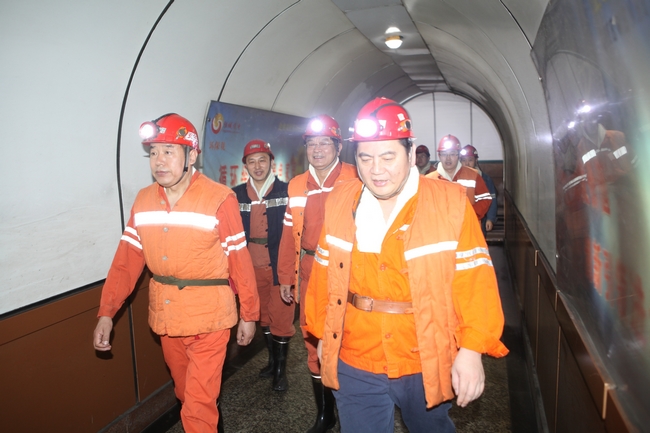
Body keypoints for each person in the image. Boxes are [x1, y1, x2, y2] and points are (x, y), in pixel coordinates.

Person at [304, 97, 508, 433]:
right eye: (365, 158)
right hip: (357, 355)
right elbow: (324, 272)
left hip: (424, 354)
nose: (376, 169)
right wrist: (323, 332)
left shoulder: (450, 203)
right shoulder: (340, 200)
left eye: (388, 157)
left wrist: (472, 350)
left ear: (411, 154)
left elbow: (474, 280)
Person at [93, 113, 259, 433]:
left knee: (197, 408)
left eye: (169, 151)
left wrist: (249, 314)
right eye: (153, 152)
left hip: (210, 318)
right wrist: (106, 313)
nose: (159, 160)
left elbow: (240, 260)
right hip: (167, 320)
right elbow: (126, 261)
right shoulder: (144, 200)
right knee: (186, 395)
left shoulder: (219, 199)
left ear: (191, 156)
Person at [277, 114, 358, 433]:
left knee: (350, 341)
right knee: (313, 341)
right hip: (310, 273)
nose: (318, 149)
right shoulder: (297, 185)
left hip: (349, 272)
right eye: (312, 144)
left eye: (325, 142)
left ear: (338, 147)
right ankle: (326, 414)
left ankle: (354, 407)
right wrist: (286, 277)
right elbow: (288, 235)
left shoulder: (357, 177)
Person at [232, 139, 294, 392]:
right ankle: (271, 362)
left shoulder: (287, 192)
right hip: (250, 268)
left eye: (262, 160)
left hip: (280, 267)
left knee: (282, 319)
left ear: (271, 162)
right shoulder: (235, 195)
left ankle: (280, 371)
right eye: (252, 161)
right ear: (245, 165)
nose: (257, 166)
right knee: (263, 318)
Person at [427, 134, 492, 220]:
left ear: (458, 155)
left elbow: (485, 199)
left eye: (452, 154)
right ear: (439, 156)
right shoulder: (429, 180)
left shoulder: (473, 176)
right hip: (440, 227)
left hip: (467, 226)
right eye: (444, 154)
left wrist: (469, 215)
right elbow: (424, 206)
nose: (448, 158)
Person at [460, 144, 498, 236]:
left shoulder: (485, 179)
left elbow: (492, 199)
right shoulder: (456, 177)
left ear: (476, 160)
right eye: (464, 160)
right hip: (460, 219)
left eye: (470, 160)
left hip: (480, 218)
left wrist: (490, 219)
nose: (467, 163)